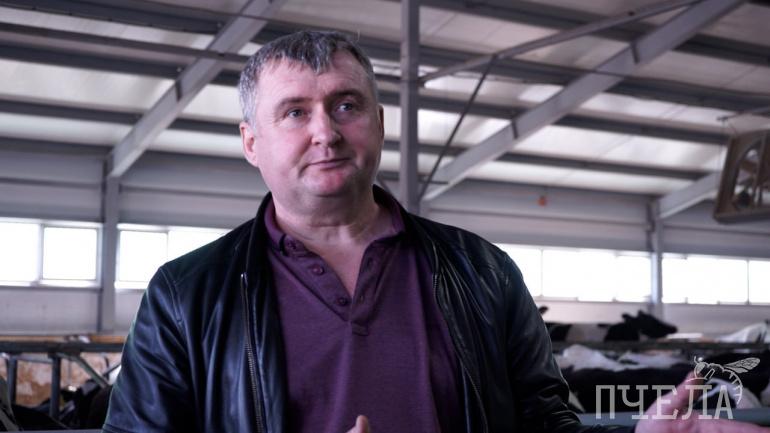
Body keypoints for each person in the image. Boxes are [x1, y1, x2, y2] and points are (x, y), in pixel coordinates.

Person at [103, 31, 770, 433]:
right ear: (251, 141)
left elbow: (547, 423)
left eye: (345, 104)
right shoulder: (188, 295)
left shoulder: (481, 271)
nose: (326, 131)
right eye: (295, 112)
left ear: (378, 122)